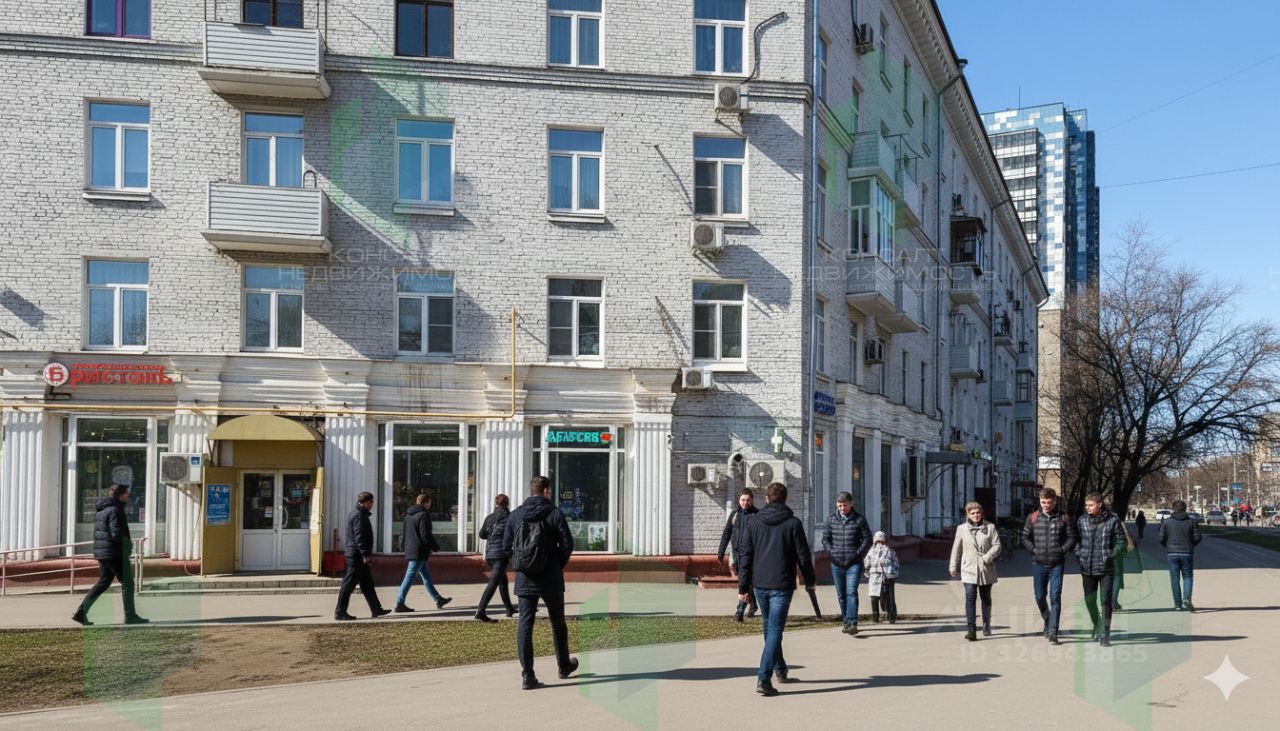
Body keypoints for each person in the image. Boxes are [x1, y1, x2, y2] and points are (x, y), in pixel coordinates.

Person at [737, 482, 816, 697]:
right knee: (774, 629)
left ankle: (780, 669)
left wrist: (743, 586)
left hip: (760, 583)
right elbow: (803, 556)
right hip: (781, 584)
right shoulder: (793, 523)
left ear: (766, 498)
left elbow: (745, 556)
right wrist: (810, 580)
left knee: (770, 627)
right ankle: (764, 678)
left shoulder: (754, 522)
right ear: (785, 498)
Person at [503, 476, 578, 690]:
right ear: (545, 491)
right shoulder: (554, 513)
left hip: (525, 577)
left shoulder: (515, 515)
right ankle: (564, 666)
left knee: (525, 625)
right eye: (549, 490)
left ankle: (528, 675)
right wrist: (556, 563)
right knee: (558, 623)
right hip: (551, 576)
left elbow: (506, 546)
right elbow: (567, 544)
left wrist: (521, 563)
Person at [72, 484, 148, 626]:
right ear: (120, 495)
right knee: (128, 583)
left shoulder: (102, 510)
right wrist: (127, 547)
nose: (128, 496)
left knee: (103, 582)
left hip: (103, 552)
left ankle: (81, 613)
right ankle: (130, 616)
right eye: (126, 493)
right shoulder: (115, 510)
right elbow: (116, 533)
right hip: (114, 553)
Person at [1019, 487, 1077, 644]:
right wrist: (1034, 549)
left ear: (1055, 501)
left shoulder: (1064, 518)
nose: (1046, 505)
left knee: (1055, 596)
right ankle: (1047, 619)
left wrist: (1062, 550)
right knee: (1039, 596)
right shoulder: (1033, 517)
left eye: (1049, 502)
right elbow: (1024, 537)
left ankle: (1053, 631)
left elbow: (1072, 537)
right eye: (1043, 502)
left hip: (1057, 563)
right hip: (1038, 563)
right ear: (1040, 501)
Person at [1075, 492, 1127, 646]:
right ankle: (1097, 625)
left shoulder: (1112, 519)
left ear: (1100, 504)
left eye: (1091, 505)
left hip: (1106, 568)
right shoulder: (1082, 520)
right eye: (1086, 505)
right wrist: (1079, 554)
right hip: (1087, 567)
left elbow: (1121, 540)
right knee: (1089, 600)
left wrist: (1112, 555)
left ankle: (1105, 633)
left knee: (1106, 601)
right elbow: (1076, 539)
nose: (1088, 508)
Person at [334, 491, 391, 621]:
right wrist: (365, 555)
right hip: (356, 556)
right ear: (361, 503)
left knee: (367, 583)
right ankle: (340, 612)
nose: (370, 504)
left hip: (358, 555)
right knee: (348, 584)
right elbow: (359, 537)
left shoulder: (360, 514)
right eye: (368, 502)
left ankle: (376, 609)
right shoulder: (359, 516)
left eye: (371, 502)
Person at [821, 491, 872, 635]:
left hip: (853, 563)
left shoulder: (859, 520)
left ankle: (853, 623)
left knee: (851, 592)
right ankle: (846, 621)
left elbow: (867, 538)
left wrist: (858, 553)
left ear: (851, 504)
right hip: (836, 563)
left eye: (844, 505)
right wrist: (831, 552)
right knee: (841, 594)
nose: (842, 508)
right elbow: (825, 539)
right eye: (839, 506)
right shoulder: (831, 520)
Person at [950, 502, 1001, 641]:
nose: (976, 515)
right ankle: (971, 629)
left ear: (982, 513)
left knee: (985, 597)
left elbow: (997, 546)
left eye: (978, 512)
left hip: (986, 567)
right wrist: (953, 565)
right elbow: (956, 548)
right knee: (970, 597)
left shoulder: (990, 527)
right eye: (972, 513)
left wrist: (987, 557)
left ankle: (986, 623)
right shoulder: (961, 529)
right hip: (968, 568)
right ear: (968, 514)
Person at [394, 493, 452, 612]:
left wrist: (404, 547)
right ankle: (399, 603)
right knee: (409, 576)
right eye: (430, 502)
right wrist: (435, 546)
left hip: (412, 549)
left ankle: (438, 599)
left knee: (426, 575)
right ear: (426, 503)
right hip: (419, 551)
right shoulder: (424, 515)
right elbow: (425, 534)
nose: (430, 505)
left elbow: (405, 533)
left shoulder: (408, 515)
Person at [717, 488, 759, 622]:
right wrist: (721, 552)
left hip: (751, 555)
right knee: (747, 580)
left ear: (752, 500)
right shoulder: (735, 514)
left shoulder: (757, 515)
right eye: (743, 500)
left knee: (743, 580)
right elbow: (726, 533)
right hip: (737, 554)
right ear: (739, 500)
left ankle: (739, 610)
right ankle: (753, 604)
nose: (745, 502)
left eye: (748, 500)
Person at [474, 493, 517, 622]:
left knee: (502, 581)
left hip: (490, 554)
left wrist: (492, 534)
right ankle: (480, 611)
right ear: (507, 504)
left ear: (496, 504)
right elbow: (515, 533)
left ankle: (509, 609)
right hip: (501, 554)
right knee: (493, 583)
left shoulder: (490, 517)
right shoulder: (510, 517)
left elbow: (482, 534)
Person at [1158, 499, 1202, 612]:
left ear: (1173, 509)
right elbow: (1197, 538)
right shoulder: (1192, 522)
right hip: (1187, 552)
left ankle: (1177, 604)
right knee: (1187, 576)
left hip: (1172, 553)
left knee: (1175, 578)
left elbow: (1161, 538)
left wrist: (1168, 546)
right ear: (1185, 509)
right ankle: (1186, 599)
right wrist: (1191, 544)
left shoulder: (1166, 522)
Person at [863, 531, 899, 623]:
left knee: (874, 596)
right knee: (890, 597)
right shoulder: (890, 550)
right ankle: (891, 617)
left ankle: (875, 617)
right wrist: (894, 574)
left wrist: (867, 572)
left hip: (875, 576)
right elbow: (896, 563)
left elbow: (866, 563)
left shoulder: (871, 551)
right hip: (888, 577)